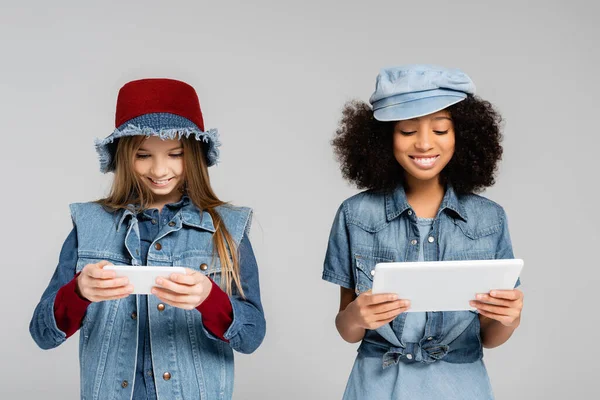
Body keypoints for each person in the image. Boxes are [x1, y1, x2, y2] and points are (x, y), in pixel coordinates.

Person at [30, 78, 266, 399]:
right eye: (143, 155)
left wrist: (209, 299)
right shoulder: (89, 225)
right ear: (124, 156)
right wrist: (79, 292)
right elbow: (43, 334)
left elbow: (251, 336)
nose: (159, 169)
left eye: (175, 154)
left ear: (194, 154)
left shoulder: (227, 228)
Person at [322, 65, 524, 399]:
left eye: (441, 130)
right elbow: (348, 331)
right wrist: (357, 315)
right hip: (376, 386)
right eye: (407, 131)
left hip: (461, 387)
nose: (425, 143)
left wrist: (510, 319)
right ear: (385, 137)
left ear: (463, 134)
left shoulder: (489, 219)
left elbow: (490, 338)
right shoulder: (355, 215)